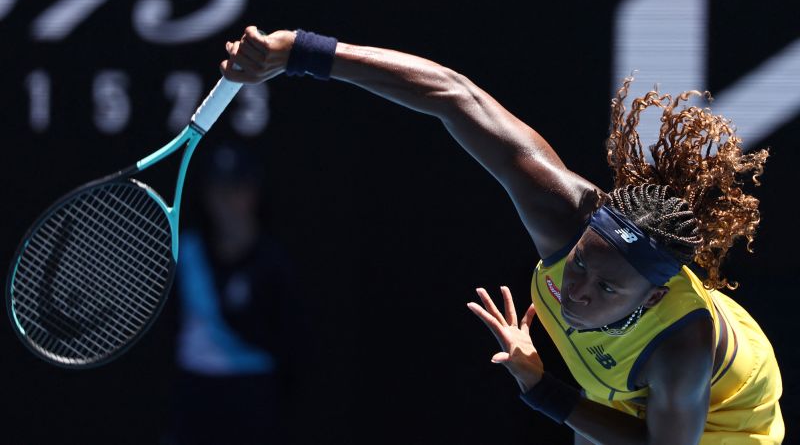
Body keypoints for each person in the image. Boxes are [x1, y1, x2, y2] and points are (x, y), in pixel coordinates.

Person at [219, 27, 784, 444]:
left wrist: (542, 391)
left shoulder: (680, 352)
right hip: (628, 389)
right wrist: (299, 53)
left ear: (653, 296)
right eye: (583, 263)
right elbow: (454, 96)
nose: (578, 290)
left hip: (723, 427)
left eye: (607, 289)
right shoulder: (564, 219)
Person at [164, 141, 296, 445]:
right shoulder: (186, 253)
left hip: (253, 397)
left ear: (253, 194)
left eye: (236, 189)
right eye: (219, 190)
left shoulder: (273, 263)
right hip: (194, 397)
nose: (226, 201)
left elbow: (294, 345)